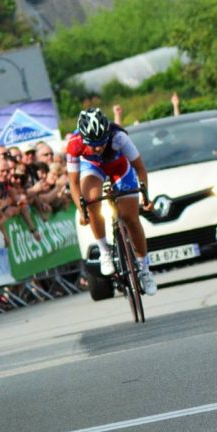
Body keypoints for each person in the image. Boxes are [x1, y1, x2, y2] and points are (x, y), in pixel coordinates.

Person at [66, 107, 158, 295]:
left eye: (101, 142)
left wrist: (145, 196)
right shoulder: (74, 144)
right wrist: (82, 210)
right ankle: (104, 252)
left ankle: (144, 270)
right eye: (93, 144)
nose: (99, 148)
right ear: (83, 139)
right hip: (93, 169)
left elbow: (140, 168)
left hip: (119, 167)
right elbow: (73, 182)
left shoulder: (118, 137)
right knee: (91, 201)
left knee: (130, 218)